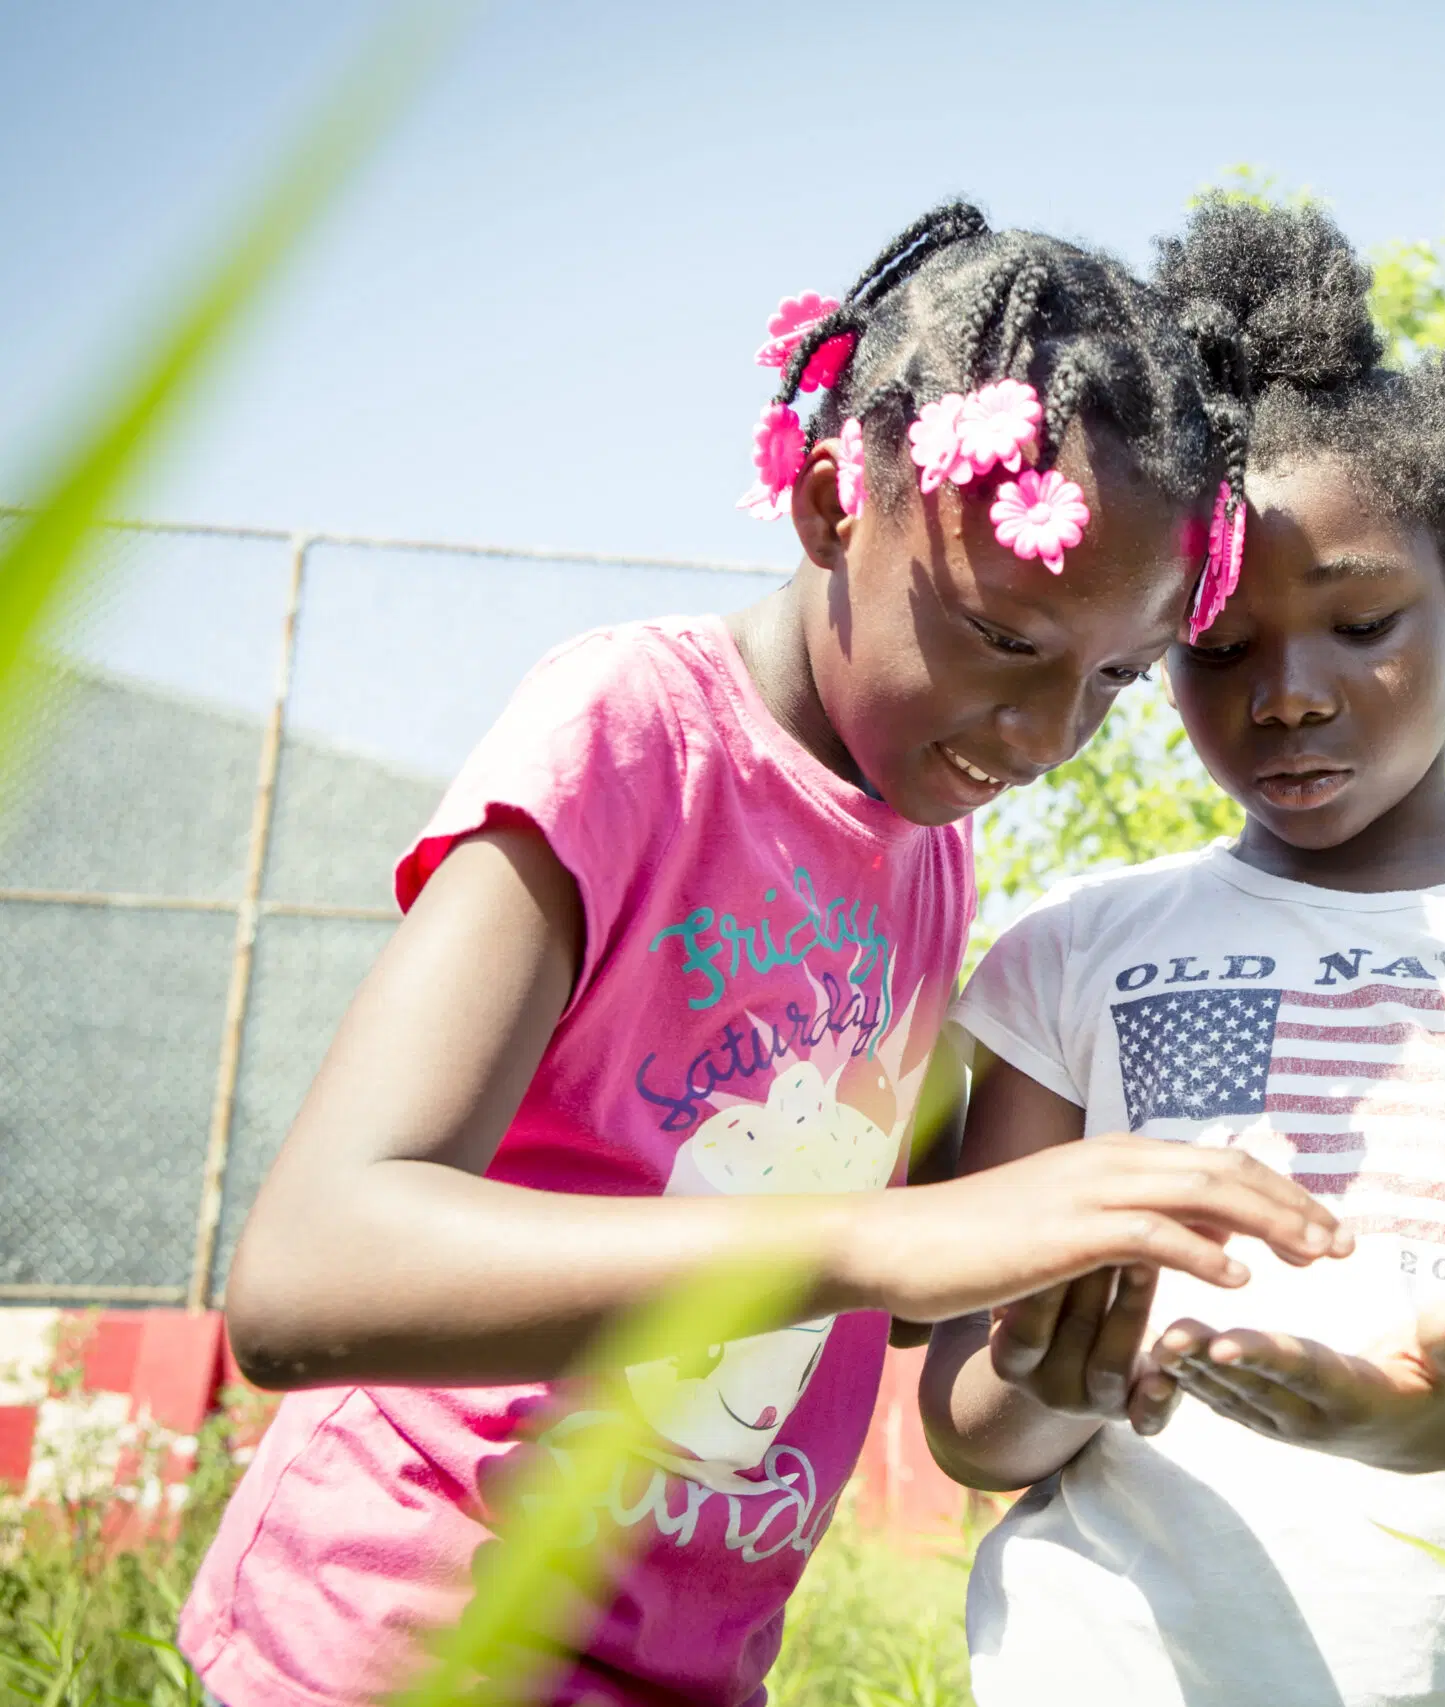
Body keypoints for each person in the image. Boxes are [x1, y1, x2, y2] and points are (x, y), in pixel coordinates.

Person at [178, 201, 1354, 1707]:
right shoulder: (632, 735)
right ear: (827, 506)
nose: (1048, 736)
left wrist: (1074, 1266)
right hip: (405, 1641)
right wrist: (881, 1243)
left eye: (1113, 680)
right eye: (1004, 639)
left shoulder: (927, 838)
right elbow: (308, 1272)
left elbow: (892, 1257)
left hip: (684, 1662)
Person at [924, 197, 1445, 1706]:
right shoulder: (1066, 954)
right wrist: (1039, 1383)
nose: (1292, 695)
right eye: (1220, 646)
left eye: (1363, 622)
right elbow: (963, 1418)